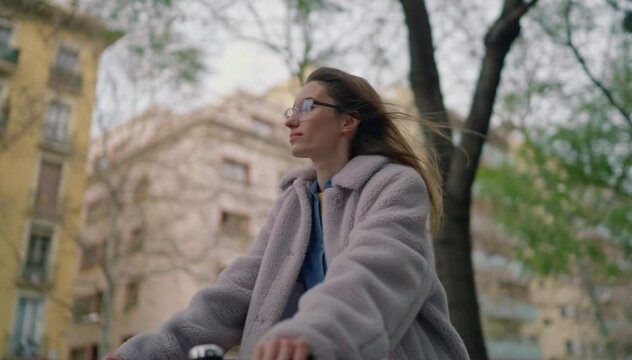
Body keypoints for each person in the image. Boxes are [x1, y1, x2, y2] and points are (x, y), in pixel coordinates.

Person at [105, 67, 469, 360]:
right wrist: (147, 352)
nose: (291, 121)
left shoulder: (394, 184)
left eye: (307, 108)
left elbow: (376, 268)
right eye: (291, 110)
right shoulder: (294, 203)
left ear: (348, 121)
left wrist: (313, 331)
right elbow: (238, 290)